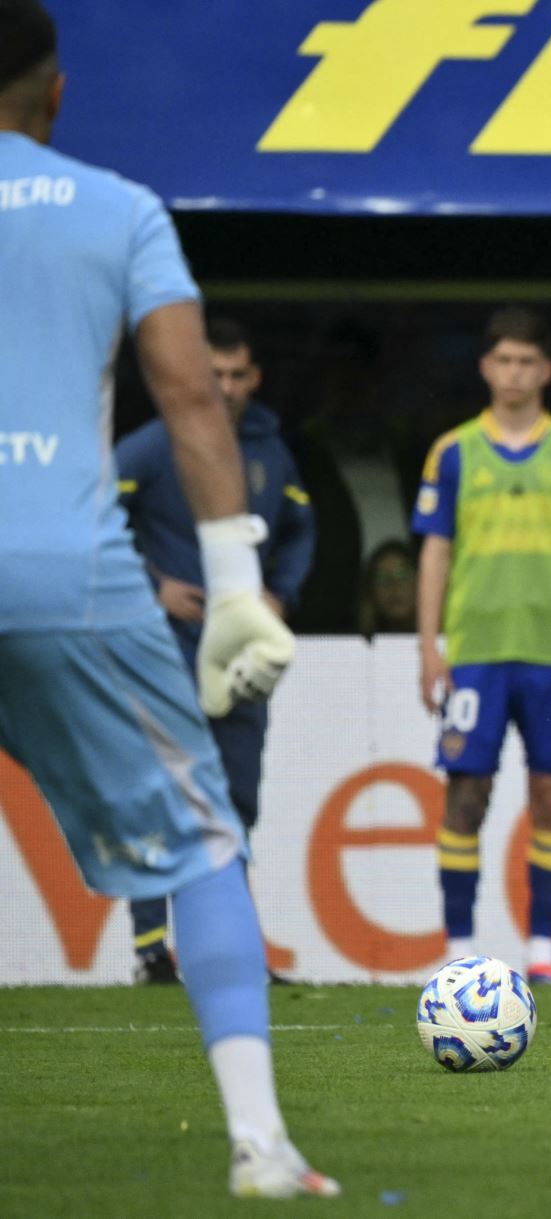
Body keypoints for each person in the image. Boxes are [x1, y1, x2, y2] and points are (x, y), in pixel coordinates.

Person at [0, 1, 334, 1196]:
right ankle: (260, 1142)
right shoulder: (117, 210)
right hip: (64, 571)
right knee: (202, 847)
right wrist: (236, 589)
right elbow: (193, 400)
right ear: (58, 90)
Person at [413, 307, 551, 986]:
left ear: (546, 370)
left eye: (527, 361)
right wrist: (428, 645)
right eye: (504, 360)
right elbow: (435, 552)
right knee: (465, 794)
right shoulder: (451, 452)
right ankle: (458, 947)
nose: (514, 373)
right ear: (485, 367)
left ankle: (542, 952)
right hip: (475, 649)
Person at [116, 318, 316, 984]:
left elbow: (297, 528)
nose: (226, 388)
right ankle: (152, 945)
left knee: (234, 799)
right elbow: (93, 517)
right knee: (161, 789)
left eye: (237, 375)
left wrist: (279, 597)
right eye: (215, 375)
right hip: (162, 645)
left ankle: (231, 952)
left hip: (239, 654)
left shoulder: (270, 453)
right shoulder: (151, 447)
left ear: (254, 379)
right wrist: (153, 585)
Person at [359, 538, 417, 636]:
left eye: (402, 575)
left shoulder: (444, 638)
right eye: (382, 578)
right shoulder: (354, 642)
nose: (394, 585)